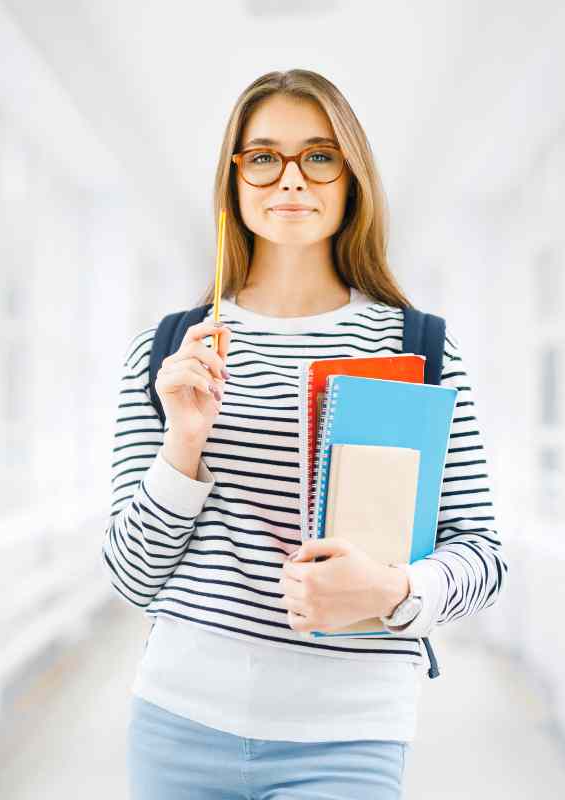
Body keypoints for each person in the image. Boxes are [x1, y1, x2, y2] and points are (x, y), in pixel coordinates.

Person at [102, 68, 508, 800]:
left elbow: (482, 554)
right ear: (234, 178)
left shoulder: (417, 350)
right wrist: (182, 446)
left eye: (318, 156)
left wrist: (391, 589)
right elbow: (133, 576)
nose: (290, 179)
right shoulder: (168, 351)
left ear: (351, 177)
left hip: (350, 734)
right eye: (263, 157)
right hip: (179, 720)